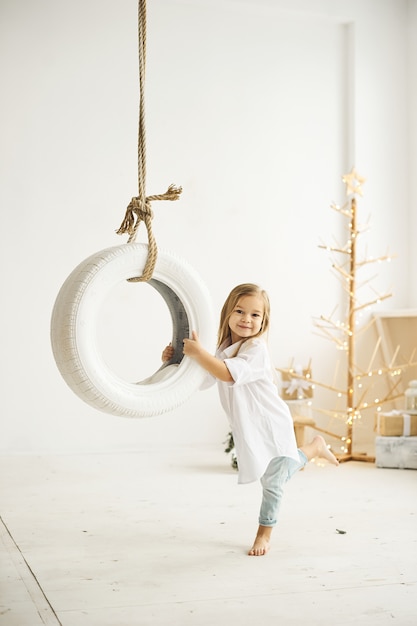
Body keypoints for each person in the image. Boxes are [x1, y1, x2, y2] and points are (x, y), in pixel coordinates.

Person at [162, 283, 338, 556]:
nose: (247, 319)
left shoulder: (257, 349)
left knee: (273, 483)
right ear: (228, 315)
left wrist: (199, 353)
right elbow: (205, 378)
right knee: (275, 473)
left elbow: (228, 374)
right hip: (250, 427)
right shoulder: (222, 349)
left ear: (263, 321)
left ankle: (264, 534)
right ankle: (314, 448)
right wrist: (178, 361)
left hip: (271, 424)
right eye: (240, 311)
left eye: (256, 315)